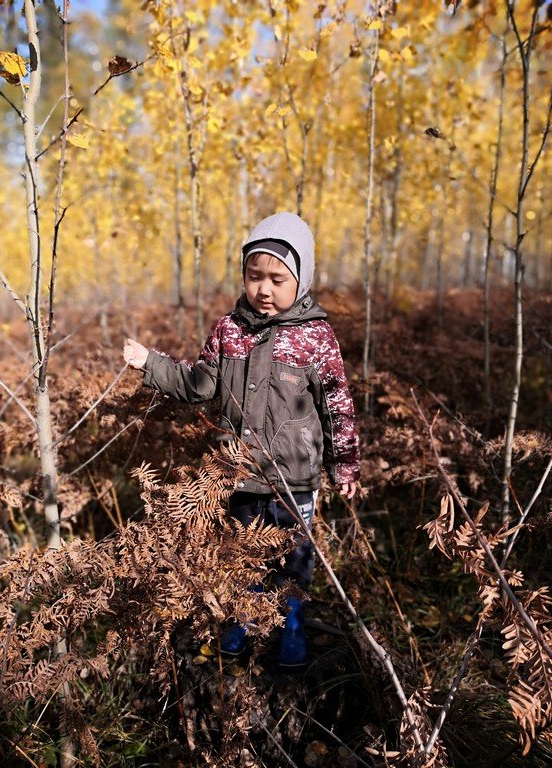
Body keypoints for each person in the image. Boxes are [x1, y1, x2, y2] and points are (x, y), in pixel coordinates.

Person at [123, 211, 360, 667]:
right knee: (240, 555)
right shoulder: (229, 330)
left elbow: (336, 403)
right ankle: (242, 623)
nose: (264, 289)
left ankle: (291, 626)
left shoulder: (315, 337)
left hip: (295, 480)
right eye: (255, 277)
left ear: (302, 281)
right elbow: (198, 384)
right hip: (238, 474)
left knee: (293, 560)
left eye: (277, 279)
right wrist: (149, 363)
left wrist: (344, 462)